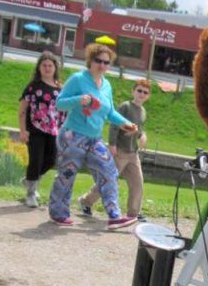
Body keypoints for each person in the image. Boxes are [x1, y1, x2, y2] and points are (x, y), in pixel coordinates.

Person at [48, 43, 138, 229]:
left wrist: (126, 124)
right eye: (99, 61)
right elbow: (60, 104)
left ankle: (114, 215)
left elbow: (110, 112)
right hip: (73, 135)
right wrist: (78, 100)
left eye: (106, 62)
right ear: (90, 60)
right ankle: (58, 213)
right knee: (67, 173)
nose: (102, 65)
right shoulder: (78, 79)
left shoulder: (107, 85)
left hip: (94, 138)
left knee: (109, 171)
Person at [78, 79, 151, 221]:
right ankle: (86, 201)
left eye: (145, 92)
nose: (141, 94)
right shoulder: (125, 106)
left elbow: (138, 129)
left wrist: (142, 135)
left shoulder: (143, 112)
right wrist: (112, 145)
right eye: (139, 90)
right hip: (120, 151)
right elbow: (114, 124)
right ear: (133, 91)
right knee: (108, 179)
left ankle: (133, 213)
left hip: (133, 153)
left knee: (137, 183)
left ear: (148, 96)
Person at [18, 51, 65, 208]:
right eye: (44, 65)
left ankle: (29, 180)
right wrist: (23, 130)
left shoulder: (60, 87)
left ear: (55, 67)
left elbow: (63, 110)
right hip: (35, 128)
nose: (47, 68)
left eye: (50, 65)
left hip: (53, 130)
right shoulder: (33, 87)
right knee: (35, 160)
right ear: (38, 68)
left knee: (51, 159)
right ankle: (31, 193)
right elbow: (22, 110)